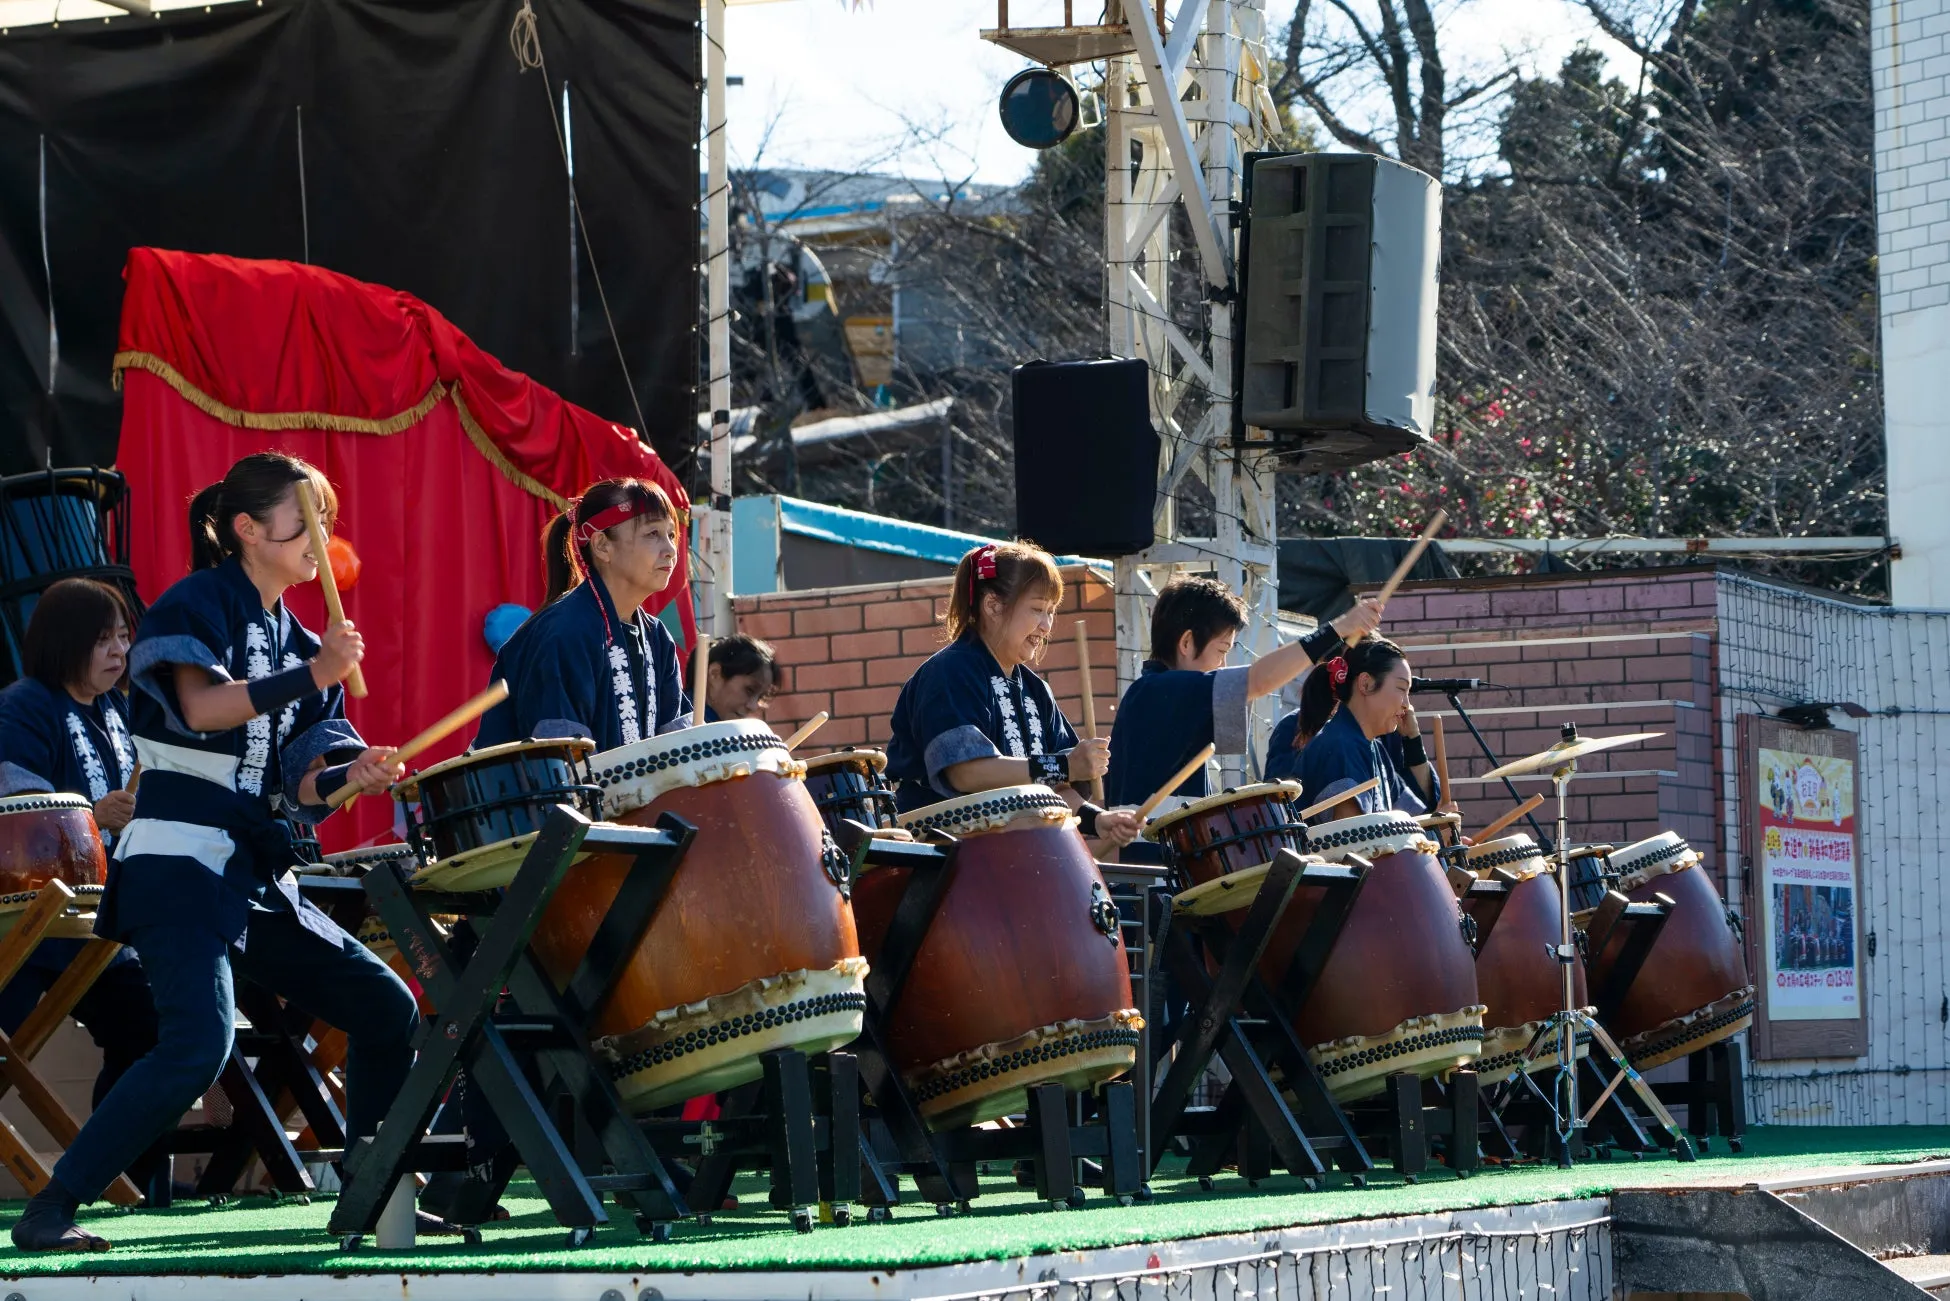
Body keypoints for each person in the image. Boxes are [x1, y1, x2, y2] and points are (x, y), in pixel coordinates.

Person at [10, 453, 421, 1254]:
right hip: (177, 860)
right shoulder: (196, 603)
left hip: (252, 871)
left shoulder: (302, 638)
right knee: (198, 1043)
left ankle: (371, 1198)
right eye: (305, 521)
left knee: (387, 1008)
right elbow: (200, 709)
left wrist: (354, 775)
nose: (320, 538)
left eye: (325, 520)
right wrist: (315, 671)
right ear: (248, 529)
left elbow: (303, 784)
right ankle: (50, 1207)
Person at [0, 579, 162, 1194]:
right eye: (102, 640)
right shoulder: (23, 707)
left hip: (101, 921)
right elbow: (18, 818)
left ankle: (120, 1183)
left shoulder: (118, 711)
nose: (119, 651)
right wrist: (95, 815)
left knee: (150, 1032)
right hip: (26, 919)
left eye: (123, 637)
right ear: (65, 642)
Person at [884, 542, 1139, 852]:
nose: (1046, 626)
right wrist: (1064, 765)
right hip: (941, 854)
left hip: (1012, 850)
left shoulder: (1035, 689)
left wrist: (1097, 820)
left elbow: (1056, 787)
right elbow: (966, 772)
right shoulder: (950, 671)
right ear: (993, 605)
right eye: (1037, 609)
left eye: (1051, 612)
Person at [1103, 577, 1381, 807]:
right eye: (1221, 650)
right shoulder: (1164, 689)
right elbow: (1258, 680)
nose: (1223, 665)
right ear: (1187, 643)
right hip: (1157, 853)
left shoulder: (1153, 692)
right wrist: (1338, 628)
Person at [474, 478, 691, 751]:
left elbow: (679, 749)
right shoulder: (564, 632)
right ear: (602, 546)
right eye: (652, 534)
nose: (670, 550)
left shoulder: (657, 637)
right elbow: (560, 758)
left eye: (671, 535)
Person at [1289, 636, 1441, 823]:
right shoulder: (1340, 747)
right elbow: (1353, 836)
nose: (1406, 705)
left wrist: (1439, 829)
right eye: (1401, 689)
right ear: (1366, 684)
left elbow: (1412, 821)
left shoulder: (1374, 748)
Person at [692, 633, 777, 723]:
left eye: (760, 697)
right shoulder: (686, 726)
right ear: (715, 674)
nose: (753, 706)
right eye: (749, 690)